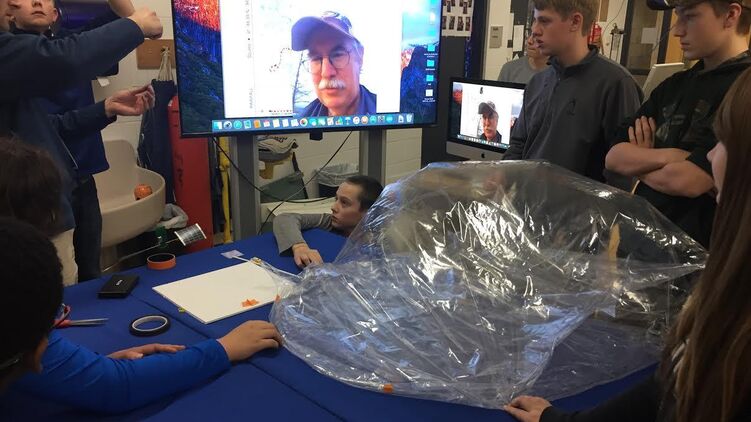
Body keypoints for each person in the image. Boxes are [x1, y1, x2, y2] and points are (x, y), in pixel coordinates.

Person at [503, 65, 751, 422]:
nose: (709, 156)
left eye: (722, 143)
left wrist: (642, 162)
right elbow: (671, 381)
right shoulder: (728, 291)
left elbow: (687, 180)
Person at [0, 217, 283, 411]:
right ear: (36, 355)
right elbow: (117, 387)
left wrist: (93, 367)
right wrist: (223, 349)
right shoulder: (22, 333)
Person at [1, 2, 162, 285]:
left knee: (87, 278)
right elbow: (66, 59)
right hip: (32, 210)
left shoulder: (48, 52)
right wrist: (136, 25)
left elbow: (49, 127)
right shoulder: (26, 57)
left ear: (56, 13)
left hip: (68, 190)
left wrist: (106, 108)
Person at [604, 0, 751, 248]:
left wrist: (641, 161)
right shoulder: (673, 85)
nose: (677, 30)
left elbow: (690, 181)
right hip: (638, 247)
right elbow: (615, 157)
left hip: (698, 254)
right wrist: (674, 155)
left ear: (730, 15)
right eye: (677, 17)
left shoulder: (743, 91)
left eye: (690, 17)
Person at [503, 0, 642, 183]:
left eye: (544, 21)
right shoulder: (538, 82)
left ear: (575, 22)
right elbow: (518, 145)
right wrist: (502, 180)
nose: (535, 30)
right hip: (529, 198)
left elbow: (623, 172)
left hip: (581, 201)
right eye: (535, 20)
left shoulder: (616, 84)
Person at [273, 175, 383, 268]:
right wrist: (299, 247)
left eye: (344, 202)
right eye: (336, 199)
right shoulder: (331, 222)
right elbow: (285, 219)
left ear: (368, 212)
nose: (333, 207)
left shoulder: (381, 244)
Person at [291, 11, 377, 117]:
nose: (326, 72)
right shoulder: (302, 120)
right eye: (316, 58)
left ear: (360, 57)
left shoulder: (386, 112)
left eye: (337, 55)